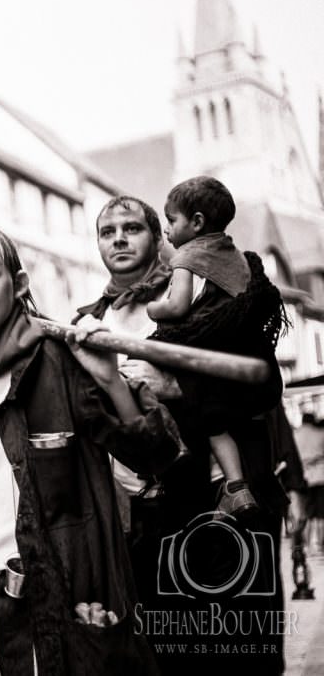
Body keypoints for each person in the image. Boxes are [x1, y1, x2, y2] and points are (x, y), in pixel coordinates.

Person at [0, 221, 180, 676]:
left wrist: (109, 379)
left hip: (62, 598)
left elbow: (156, 455)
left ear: (20, 284)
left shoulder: (65, 362)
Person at [77, 195, 292, 675]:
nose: (118, 239)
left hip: (221, 508)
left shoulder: (207, 295)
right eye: (106, 231)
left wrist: (177, 384)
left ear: (158, 238)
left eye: (131, 228)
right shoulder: (88, 322)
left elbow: (263, 382)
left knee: (237, 658)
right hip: (144, 525)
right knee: (168, 661)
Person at [147, 176, 281, 516]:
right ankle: (238, 487)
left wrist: (153, 308)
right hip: (241, 355)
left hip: (206, 356)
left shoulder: (187, 257)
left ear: (196, 223)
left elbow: (176, 307)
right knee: (222, 422)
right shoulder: (234, 254)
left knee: (200, 416)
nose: (166, 230)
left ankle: (221, 479)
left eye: (171, 220)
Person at [294, 408, 324, 553]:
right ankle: (319, 545)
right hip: (320, 477)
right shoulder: (321, 434)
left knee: (304, 512)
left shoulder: (294, 435)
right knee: (320, 513)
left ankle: (306, 546)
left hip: (302, 478)